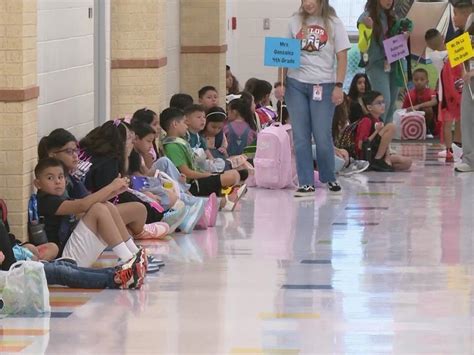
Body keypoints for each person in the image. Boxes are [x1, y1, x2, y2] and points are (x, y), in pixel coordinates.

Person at [34, 157, 147, 276]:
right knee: (98, 209)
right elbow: (83, 205)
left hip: (74, 252)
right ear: (38, 184)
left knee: (106, 205)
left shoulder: (60, 198)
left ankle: (134, 253)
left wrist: (115, 192)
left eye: (60, 177)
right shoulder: (45, 201)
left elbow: (86, 205)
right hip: (65, 260)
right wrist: (111, 187)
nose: (57, 181)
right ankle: (128, 259)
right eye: (50, 178)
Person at [282, 0, 350, 197]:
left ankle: (329, 177)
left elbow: (342, 57)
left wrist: (339, 85)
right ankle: (305, 182)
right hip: (296, 83)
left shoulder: (334, 23)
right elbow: (284, 53)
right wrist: (280, 83)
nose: (308, 3)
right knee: (301, 136)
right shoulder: (294, 21)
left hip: (324, 84)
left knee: (322, 135)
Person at [0, 222, 143, 289]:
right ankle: (115, 279)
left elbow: (9, 241)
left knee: (63, 266)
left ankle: (117, 272)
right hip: (12, 274)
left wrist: (22, 246)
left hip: (18, 264)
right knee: (60, 272)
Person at [160, 108, 247, 211]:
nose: (186, 125)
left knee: (236, 174)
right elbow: (186, 173)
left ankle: (227, 193)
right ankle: (227, 194)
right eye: (183, 122)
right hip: (191, 184)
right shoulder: (172, 146)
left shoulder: (179, 141)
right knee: (233, 176)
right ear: (175, 124)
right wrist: (208, 175)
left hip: (196, 178)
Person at [358, 0, 411, 123]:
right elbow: (362, 46)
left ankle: (385, 139)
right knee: (383, 101)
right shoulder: (366, 17)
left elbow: (399, 38)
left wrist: (404, 36)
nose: (389, 1)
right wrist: (368, 29)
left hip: (395, 62)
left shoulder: (394, 16)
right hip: (377, 64)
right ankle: (377, 136)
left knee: (392, 102)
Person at [425, 28, 463, 160]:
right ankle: (460, 146)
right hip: (458, 92)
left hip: (444, 95)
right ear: (442, 37)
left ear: (429, 45)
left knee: (447, 123)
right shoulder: (454, 51)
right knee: (460, 120)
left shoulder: (433, 56)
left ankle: (449, 150)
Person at [356, 91, 412, 171]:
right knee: (391, 126)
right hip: (368, 155)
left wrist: (387, 156)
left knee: (407, 162)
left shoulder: (380, 120)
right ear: (369, 107)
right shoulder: (366, 120)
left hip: (377, 152)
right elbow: (360, 145)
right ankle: (377, 160)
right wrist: (376, 131)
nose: (383, 105)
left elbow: (385, 142)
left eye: (383, 102)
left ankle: (379, 165)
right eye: (379, 103)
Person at [455, 11, 474, 173]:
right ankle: (470, 159)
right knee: (468, 117)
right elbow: (466, 48)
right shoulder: (471, 19)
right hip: (470, 78)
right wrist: (465, 67)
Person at [402, 68, 438, 137]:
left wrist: (419, 106)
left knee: (428, 109)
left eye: (422, 80)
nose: (419, 82)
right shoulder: (409, 94)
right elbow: (404, 110)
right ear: (412, 81)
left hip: (428, 119)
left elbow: (434, 101)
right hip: (413, 120)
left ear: (427, 81)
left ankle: (427, 129)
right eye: (416, 80)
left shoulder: (431, 91)